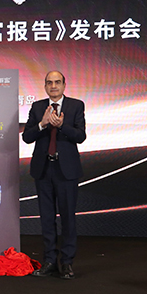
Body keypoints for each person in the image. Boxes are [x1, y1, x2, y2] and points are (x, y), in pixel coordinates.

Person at [22, 71, 86, 279]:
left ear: (64, 85)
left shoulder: (76, 106)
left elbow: (80, 136)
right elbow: (27, 137)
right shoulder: (37, 107)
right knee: (47, 218)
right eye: (49, 82)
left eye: (57, 82)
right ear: (45, 86)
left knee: (68, 217)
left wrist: (62, 126)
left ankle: (67, 263)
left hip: (66, 170)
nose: (53, 86)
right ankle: (49, 261)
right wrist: (42, 124)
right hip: (43, 169)